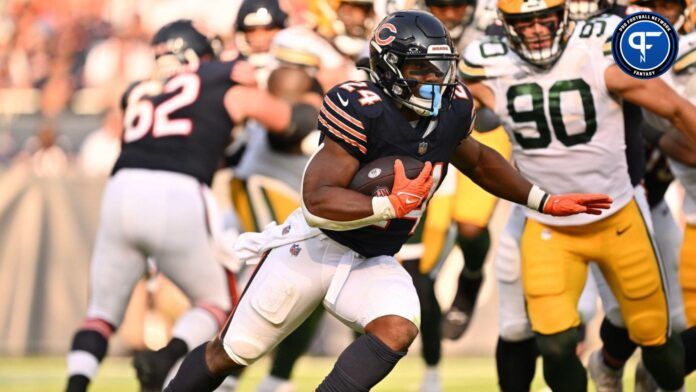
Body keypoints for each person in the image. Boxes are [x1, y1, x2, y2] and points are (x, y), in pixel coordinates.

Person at [163, 10, 612, 392]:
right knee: (231, 354)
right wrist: (387, 206)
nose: (435, 80)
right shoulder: (361, 105)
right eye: (421, 70)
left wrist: (543, 200)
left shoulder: (452, 107)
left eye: (440, 67)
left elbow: (477, 160)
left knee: (397, 326)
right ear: (391, 68)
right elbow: (317, 198)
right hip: (313, 249)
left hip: (372, 257)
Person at [64, 20, 316, 392]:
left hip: (120, 190)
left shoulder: (138, 90)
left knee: (100, 316)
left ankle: (75, 385)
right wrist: (309, 100)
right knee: (219, 303)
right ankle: (167, 357)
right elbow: (288, 123)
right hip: (178, 191)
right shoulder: (219, 81)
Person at [461, 0, 696, 388]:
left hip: (618, 214)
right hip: (548, 221)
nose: (536, 29)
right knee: (554, 343)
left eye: (545, 19)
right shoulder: (488, 61)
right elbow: (452, 118)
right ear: (505, 23)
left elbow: (673, 108)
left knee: (656, 340)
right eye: (525, 21)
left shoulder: (600, 45)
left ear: (565, 16)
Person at [425, 0, 514, 341]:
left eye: (457, 5)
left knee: (471, 226)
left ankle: (472, 277)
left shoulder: (493, 20)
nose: (449, 14)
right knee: (431, 231)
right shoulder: (403, 13)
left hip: (482, 126)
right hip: (429, 126)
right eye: (440, 5)